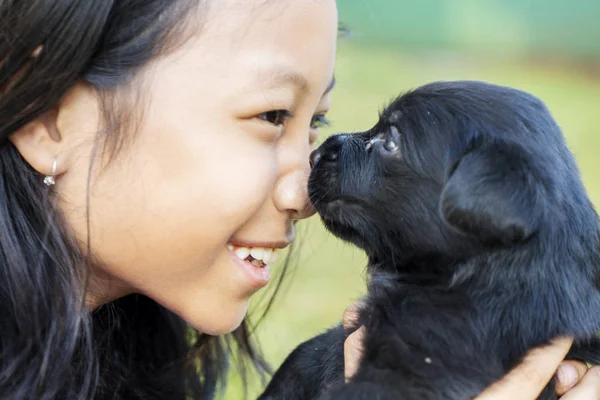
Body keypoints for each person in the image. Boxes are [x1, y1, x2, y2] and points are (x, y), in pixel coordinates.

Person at [0, 1, 597, 399]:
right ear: (51, 120)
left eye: (316, 120)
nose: (301, 191)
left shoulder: (123, 352)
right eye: (270, 115)